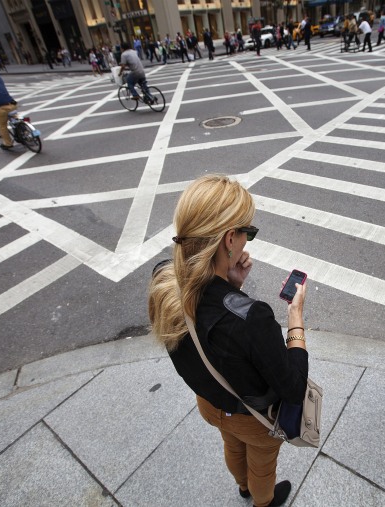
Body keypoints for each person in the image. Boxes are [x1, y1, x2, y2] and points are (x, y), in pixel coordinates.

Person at [148, 175, 308, 507]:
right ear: (229, 240)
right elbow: (292, 388)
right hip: (253, 417)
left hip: (210, 404)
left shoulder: (163, 281)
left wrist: (231, 286)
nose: (248, 241)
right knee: (262, 466)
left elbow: (209, 328)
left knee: (231, 444)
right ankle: (262, 501)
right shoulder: (253, 318)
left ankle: (242, 487)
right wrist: (295, 318)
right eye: (247, 233)